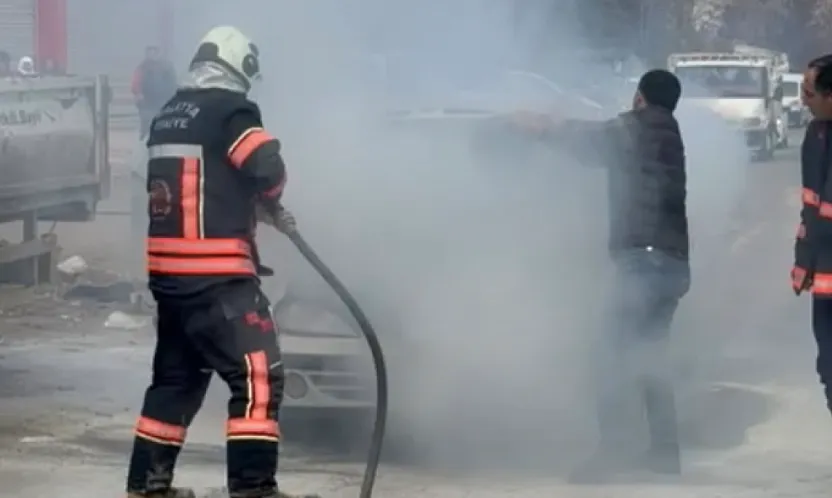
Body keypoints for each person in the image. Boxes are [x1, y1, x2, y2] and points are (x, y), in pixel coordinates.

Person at [124, 26, 316, 498]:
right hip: (218, 278)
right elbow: (266, 166)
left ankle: (147, 487)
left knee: (174, 382)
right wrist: (268, 196)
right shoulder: (232, 110)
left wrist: (244, 200)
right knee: (257, 376)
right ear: (239, 67)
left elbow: (200, 183)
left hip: (170, 280)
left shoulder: (169, 113)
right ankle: (253, 489)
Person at [517, 69, 690, 482]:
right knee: (651, 357)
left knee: (609, 356)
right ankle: (665, 453)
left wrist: (540, 127)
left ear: (639, 97)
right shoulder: (668, 130)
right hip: (672, 264)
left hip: (644, 263)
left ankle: (612, 453)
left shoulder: (638, 129)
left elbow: (587, 140)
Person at [792, 54, 832, 418]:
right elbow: (812, 201)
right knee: (829, 368)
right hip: (826, 274)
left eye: (809, 92)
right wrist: (803, 258)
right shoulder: (816, 133)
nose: (803, 100)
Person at [132, 45, 178, 139]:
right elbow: (136, 83)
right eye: (149, 53)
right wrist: (139, 94)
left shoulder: (166, 67)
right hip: (147, 102)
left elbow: (173, 83)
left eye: (154, 52)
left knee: (163, 123)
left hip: (163, 101)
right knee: (146, 124)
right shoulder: (142, 68)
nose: (152, 55)